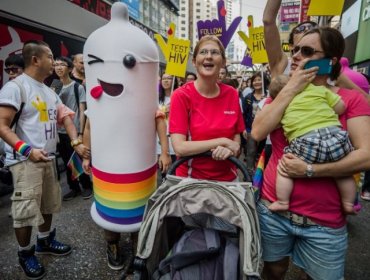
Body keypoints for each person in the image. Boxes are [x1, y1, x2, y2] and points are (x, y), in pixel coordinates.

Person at [252, 27, 370, 280]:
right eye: (294, 50)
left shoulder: (350, 100)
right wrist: (291, 89)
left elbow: (366, 156)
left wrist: (309, 170)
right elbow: (258, 132)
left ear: (331, 61)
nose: (295, 56)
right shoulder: (282, 94)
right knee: (272, 270)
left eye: (306, 51)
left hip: (325, 222)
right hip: (274, 212)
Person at [0, 40, 88, 280]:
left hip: (48, 158)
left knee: (48, 204)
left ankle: (44, 241)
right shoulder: (16, 88)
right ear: (36, 60)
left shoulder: (49, 91)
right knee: (26, 211)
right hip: (25, 161)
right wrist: (26, 149)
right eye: (50, 56)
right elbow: (2, 125)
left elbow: (67, 118)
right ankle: (25, 253)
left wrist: (76, 143)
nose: (55, 61)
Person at [82, 108, 170, 270]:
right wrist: (87, 156)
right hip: (107, 163)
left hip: (139, 162)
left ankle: (139, 246)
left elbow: (159, 120)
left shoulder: (143, 93)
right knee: (109, 209)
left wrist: (165, 152)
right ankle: (112, 245)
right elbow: (89, 126)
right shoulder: (99, 98)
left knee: (140, 209)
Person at [268, 75, 356, 214]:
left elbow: (273, 125)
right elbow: (341, 108)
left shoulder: (282, 105)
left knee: (284, 169)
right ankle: (348, 203)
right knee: (342, 173)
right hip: (336, 139)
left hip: (307, 143)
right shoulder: (319, 90)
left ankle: (283, 202)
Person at [263, 0, 370, 104]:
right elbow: (268, 21)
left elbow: (364, 99)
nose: (296, 56)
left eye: (307, 51)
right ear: (292, 46)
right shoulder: (283, 65)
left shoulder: (330, 75)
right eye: (296, 49)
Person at [169, 35, 245, 182]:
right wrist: (222, 141)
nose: (208, 56)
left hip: (228, 181)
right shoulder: (181, 95)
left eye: (215, 52)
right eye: (203, 52)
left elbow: (236, 138)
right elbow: (180, 147)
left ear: (223, 62)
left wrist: (230, 148)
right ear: (194, 61)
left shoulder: (232, 94)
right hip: (191, 182)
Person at [54, 56, 93, 200]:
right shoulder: (54, 86)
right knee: (65, 160)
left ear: (70, 69)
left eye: (62, 65)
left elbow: (82, 110)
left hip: (75, 130)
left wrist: (82, 132)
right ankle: (74, 188)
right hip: (60, 131)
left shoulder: (78, 87)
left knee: (77, 158)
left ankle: (87, 186)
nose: (58, 67)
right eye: (56, 64)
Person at [241, 72, 269, 178]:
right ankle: (248, 175)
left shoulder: (269, 95)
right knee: (251, 152)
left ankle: (262, 175)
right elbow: (243, 113)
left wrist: (266, 100)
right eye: (255, 80)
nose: (257, 82)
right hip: (250, 129)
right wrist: (243, 128)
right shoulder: (248, 97)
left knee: (263, 153)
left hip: (266, 129)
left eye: (259, 79)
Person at [157, 73, 178, 177]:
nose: (166, 81)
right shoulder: (155, 98)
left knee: (175, 173)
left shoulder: (179, 97)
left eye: (169, 78)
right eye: (164, 78)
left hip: (175, 139)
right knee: (164, 172)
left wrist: (174, 110)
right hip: (160, 141)